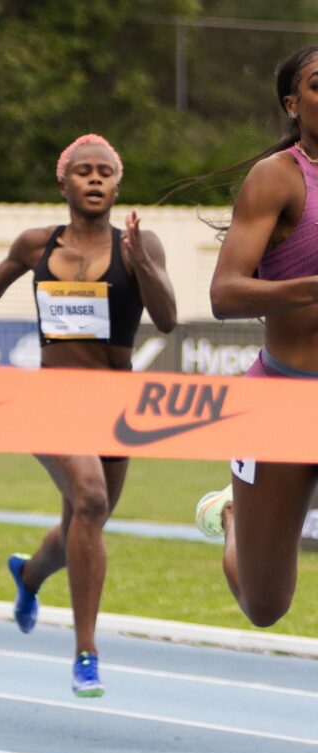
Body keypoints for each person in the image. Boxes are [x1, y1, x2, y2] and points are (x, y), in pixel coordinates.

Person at [0, 134, 177, 696]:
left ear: (118, 182)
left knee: (82, 527)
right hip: (52, 397)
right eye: (83, 171)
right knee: (88, 497)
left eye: (105, 172)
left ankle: (29, 574)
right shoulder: (36, 243)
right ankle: (86, 652)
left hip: (115, 403)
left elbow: (165, 320)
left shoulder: (141, 244)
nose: (95, 180)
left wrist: (145, 268)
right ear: (62, 182)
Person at [194, 46, 318, 631]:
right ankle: (233, 519)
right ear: (293, 104)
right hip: (282, 397)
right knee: (265, 605)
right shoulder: (278, 178)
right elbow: (226, 294)